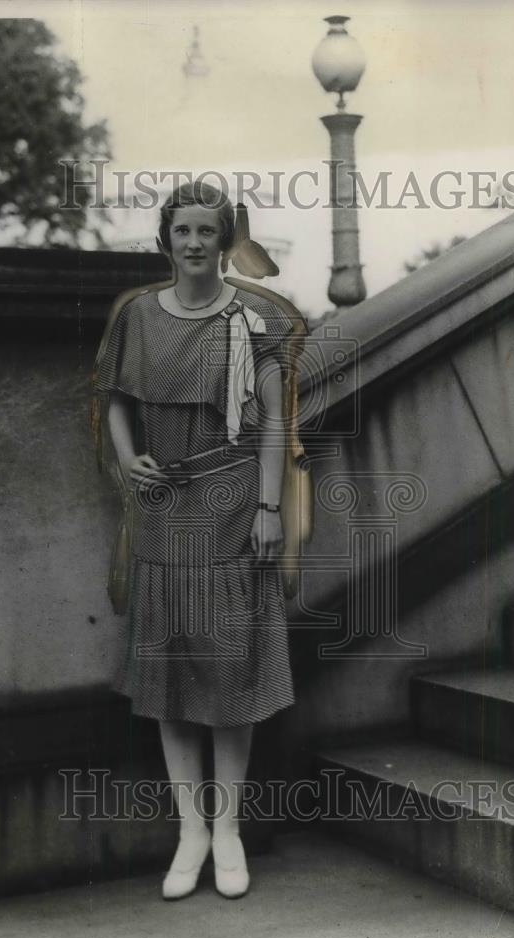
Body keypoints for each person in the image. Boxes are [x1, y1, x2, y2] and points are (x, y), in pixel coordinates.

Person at [91, 180, 306, 901]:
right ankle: (189, 830)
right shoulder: (139, 319)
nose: (192, 244)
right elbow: (116, 404)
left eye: (205, 233)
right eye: (180, 232)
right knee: (170, 677)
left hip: (233, 503)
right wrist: (128, 462)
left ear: (223, 241)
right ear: (166, 240)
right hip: (160, 506)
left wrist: (269, 507)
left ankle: (228, 831)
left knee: (228, 675)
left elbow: (274, 422)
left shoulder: (253, 322)